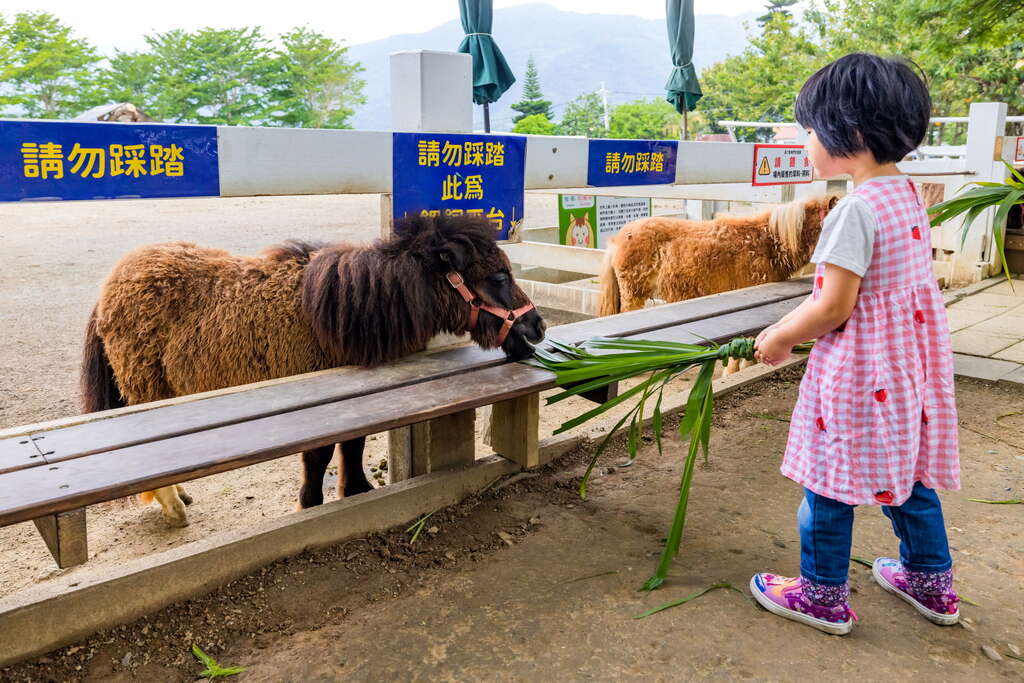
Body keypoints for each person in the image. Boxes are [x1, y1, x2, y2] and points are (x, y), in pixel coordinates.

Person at [749, 53, 960, 636]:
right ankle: (930, 582)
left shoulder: (854, 211)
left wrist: (779, 337)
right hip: (906, 366)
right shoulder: (906, 194)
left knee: (828, 481)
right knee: (909, 472)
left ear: (851, 133)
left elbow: (833, 306)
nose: (805, 142)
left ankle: (821, 595)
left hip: (860, 371)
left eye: (810, 131)